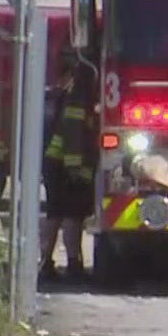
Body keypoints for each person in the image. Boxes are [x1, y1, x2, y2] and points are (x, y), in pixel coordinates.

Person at [40, 58, 98, 283]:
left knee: (55, 215)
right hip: (67, 167)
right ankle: (73, 264)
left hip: (57, 165)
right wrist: (75, 169)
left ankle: (46, 262)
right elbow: (73, 136)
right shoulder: (78, 100)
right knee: (72, 217)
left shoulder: (66, 96)